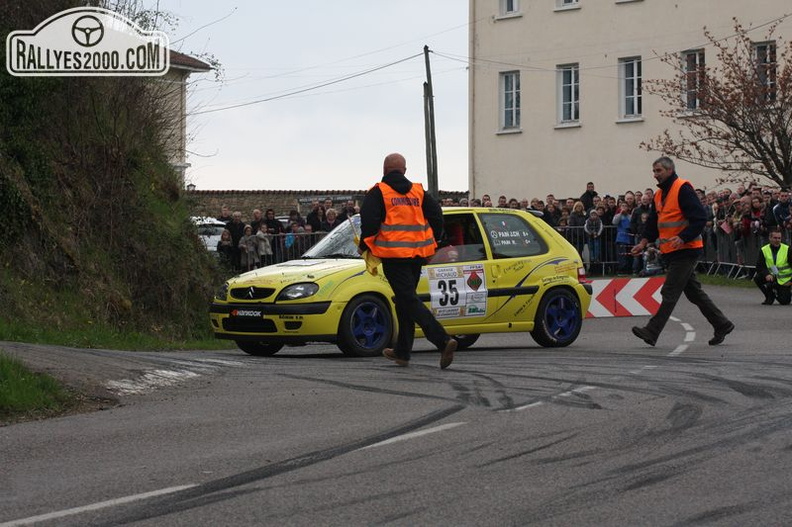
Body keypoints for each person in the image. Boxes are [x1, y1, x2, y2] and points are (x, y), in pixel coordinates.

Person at [358, 152, 457, 369]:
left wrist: (365, 245)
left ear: (384, 170)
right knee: (405, 300)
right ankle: (403, 351)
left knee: (408, 300)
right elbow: (437, 215)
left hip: (393, 256)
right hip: (417, 255)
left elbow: (370, 223)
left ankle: (442, 340)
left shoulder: (379, 192)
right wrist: (433, 240)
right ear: (404, 170)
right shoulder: (418, 191)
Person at [630, 157, 735, 346]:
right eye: (654, 171)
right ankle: (722, 324)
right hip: (672, 251)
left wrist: (683, 237)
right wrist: (643, 242)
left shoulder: (683, 189)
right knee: (694, 293)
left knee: (669, 291)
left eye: (659, 170)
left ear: (670, 170)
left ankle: (652, 331)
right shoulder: (658, 195)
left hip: (687, 250)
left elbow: (699, 218)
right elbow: (654, 222)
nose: (655, 174)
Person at [754, 228, 792, 305]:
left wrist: (791, 282)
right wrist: (766, 274)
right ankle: (769, 296)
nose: (777, 240)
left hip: (785, 281)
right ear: (770, 238)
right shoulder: (764, 250)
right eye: (775, 238)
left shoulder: (788, 249)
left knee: (785, 301)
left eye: (779, 238)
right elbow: (759, 266)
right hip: (771, 277)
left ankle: (776, 290)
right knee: (757, 278)